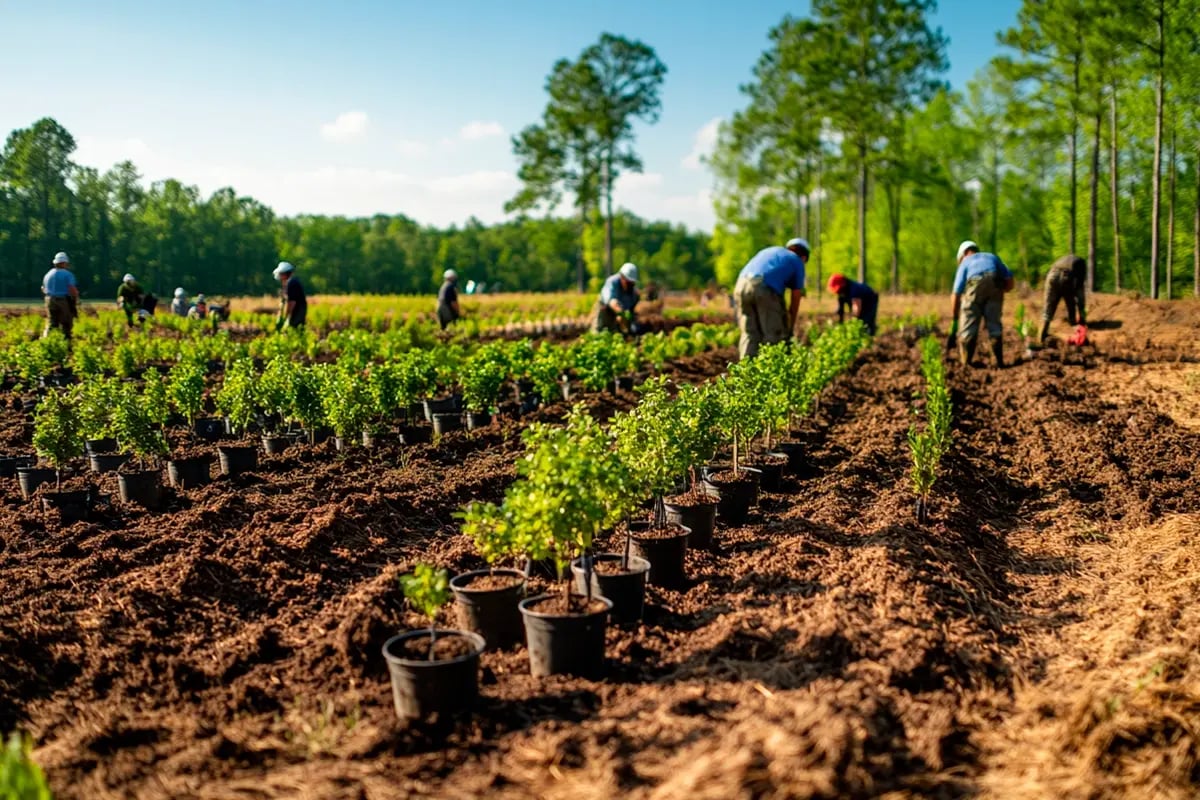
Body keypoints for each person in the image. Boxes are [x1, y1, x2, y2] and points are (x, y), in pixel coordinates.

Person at [733, 238, 809, 359]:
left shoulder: (771, 251)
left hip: (741, 286)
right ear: (804, 257)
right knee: (773, 334)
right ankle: (772, 371)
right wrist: (790, 325)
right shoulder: (797, 261)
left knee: (749, 333)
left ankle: (747, 372)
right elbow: (796, 296)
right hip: (764, 288)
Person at [950, 240, 1014, 368]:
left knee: (969, 322)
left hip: (974, 283)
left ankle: (966, 363)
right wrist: (1001, 291)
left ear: (963, 254)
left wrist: (955, 317)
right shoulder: (992, 257)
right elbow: (1009, 279)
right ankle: (998, 363)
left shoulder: (965, 262)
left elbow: (956, 293)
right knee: (994, 324)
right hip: (995, 282)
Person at [1040, 254, 1087, 345]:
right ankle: (1076, 331)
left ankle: (1042, 335)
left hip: (1051, 274)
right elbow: (1079, 291)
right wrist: (1082, 315)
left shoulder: (1064, 260)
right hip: (1066, 275)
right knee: (1070, 303)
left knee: (1048, 307)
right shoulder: (1081, 264)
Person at [592, 262, 641, 334]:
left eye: (632, 283)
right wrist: (622, 313)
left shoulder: (633, 294)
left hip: (619, 316)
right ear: (622, 277)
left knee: (619, 333)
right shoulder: (612, 282)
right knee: (599, 332)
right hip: (605, 311)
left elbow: (631, 310)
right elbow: (612, 302)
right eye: (628, 282)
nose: (630, 285)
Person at [41, 251, 79, 340]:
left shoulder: (48, 274)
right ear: (64, 263)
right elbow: (72, 289)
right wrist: (76, 298)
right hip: (63, 301)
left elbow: (43, 288)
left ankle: (47, 340)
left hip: (49, 300)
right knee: (66, 323)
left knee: (52, 322)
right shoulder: (68, 275)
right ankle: (66, 342)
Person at [272, 261, 307, 331]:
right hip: (299, 310)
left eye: (281, 274)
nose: (280, 277)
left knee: (294, 330)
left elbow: (292, 302)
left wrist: (286, 316)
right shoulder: (292, 282)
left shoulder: (292, 283)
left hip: (297, 311)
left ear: (285, 274)